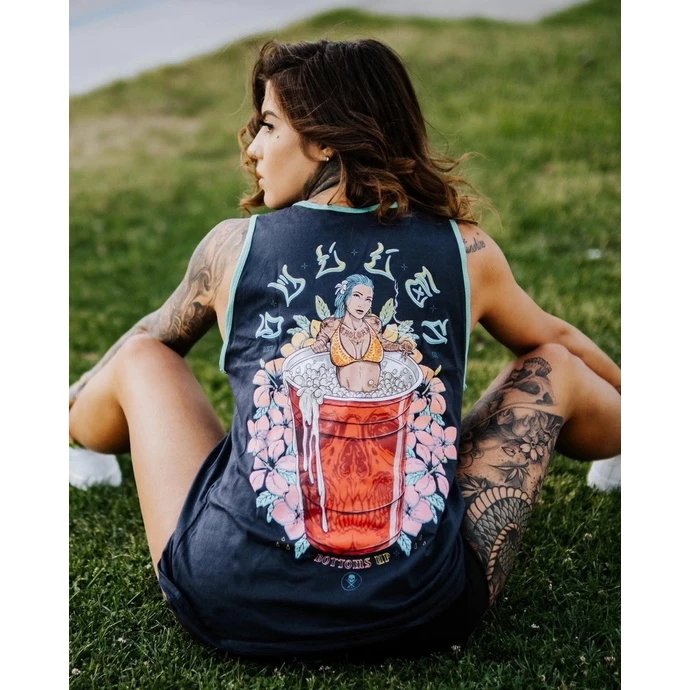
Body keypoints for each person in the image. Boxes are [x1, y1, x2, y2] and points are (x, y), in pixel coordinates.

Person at [69, 38, 621, 660]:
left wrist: (74, 395)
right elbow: (556, 340)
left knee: (141, 358)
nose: (252, 149)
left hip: (229, 599)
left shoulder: (232, 249)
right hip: (424, 611)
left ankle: (72, 435)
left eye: (269, 125)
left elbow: (151, 337)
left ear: (325, 138)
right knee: (556, 368)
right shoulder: (466, 251)